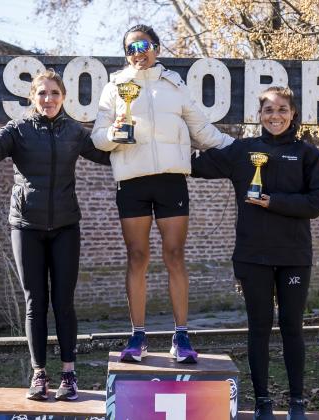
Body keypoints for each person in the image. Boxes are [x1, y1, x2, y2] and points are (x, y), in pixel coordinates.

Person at [92, 24, 233, 364]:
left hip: (171, 181)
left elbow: (201, 131)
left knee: (174, 255)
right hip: (133, 182)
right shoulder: (114, 87)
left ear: (156, 47)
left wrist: (240, 148)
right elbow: (98, 138)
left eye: (142, 45)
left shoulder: (175, 85)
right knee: (137, 257)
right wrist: (114, 133)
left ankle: (181, 337)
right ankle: (137, 337)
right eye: (129, 48)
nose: (137, 52)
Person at [0, 69, 111, 401]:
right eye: (42, 93)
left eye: (54, 93)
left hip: (65, 227)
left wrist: (122, 133)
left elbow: (106, 155)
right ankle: (39, 376)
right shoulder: (18, 129)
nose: (48, 99)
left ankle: (69, 377)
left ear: (63, 97)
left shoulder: (74, 131)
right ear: (32, 97)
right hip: (26, 227)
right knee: (35, 303)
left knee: (63, 303)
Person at [191, 86, 319, 420]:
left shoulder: (308, 154)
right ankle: (263, 402)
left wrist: (274, 202)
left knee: (291, 326)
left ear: (293, 113)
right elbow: (196, 165)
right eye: (269, 110)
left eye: (282, 109)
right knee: (259, 327)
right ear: (260, 115)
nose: (275, 116)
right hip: (252, 256)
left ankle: (297, 401)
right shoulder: (243, 151)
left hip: (294, 256)